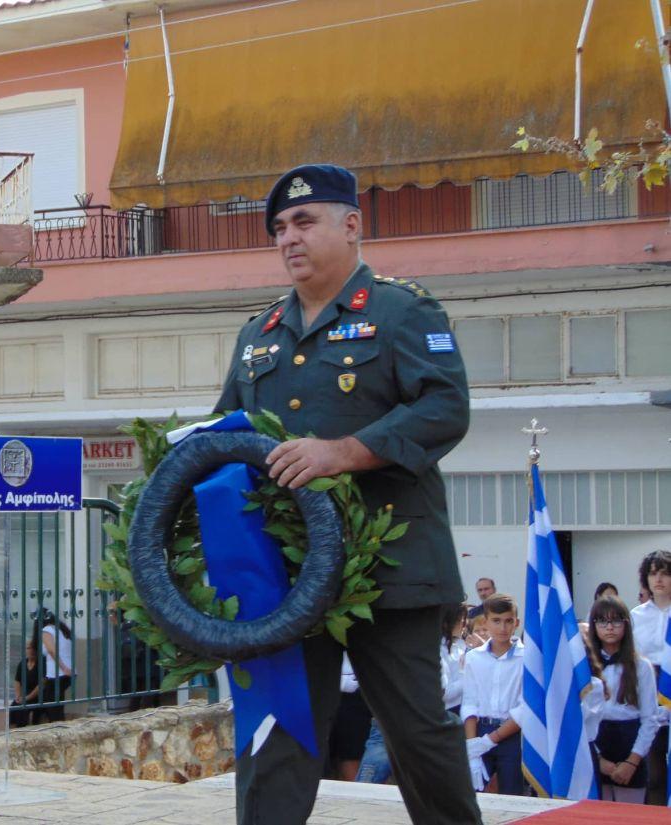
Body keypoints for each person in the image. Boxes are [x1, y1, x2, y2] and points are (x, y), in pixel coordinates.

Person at [214, 163, 478, 824]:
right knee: (280, 736)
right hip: (290, 576)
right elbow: (226, 437)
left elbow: (445, 407)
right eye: (279, 227)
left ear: (352, 225)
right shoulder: (258, 335)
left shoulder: (401, 310)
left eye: (303, 221)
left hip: (391, 566)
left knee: (417, 733)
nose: (288, 237)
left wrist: (344, 453)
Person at [356, 604, 467, 785]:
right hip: (397, 717)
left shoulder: (442, 646)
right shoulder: (418, 643)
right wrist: (465, 679)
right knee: (369, 780)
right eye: (458, 620)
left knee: (421, 787)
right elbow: (437, 689)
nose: (462, 624)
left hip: (420, 720)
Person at [588, 596, 659, 803]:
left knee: (630, 815)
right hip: (597, 743)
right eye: (602, 621)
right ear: (594, 626)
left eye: (616, 621)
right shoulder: (586, 666)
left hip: (630, 744)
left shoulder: (641, 666)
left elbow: (650, 718)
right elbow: (580, 717)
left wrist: (632, 761)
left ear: (626, 625)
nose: (609, 627)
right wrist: (599, 759)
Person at [462, 594, 525, 796]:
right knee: (473, 795)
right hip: (479, 729)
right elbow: (470, 702)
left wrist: (490, 740)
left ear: (516, 623)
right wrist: (472, 745)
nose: (502, 628)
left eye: (508, 621)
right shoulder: (474, 657)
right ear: (485, 622)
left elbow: (525, 709)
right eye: (496, 621)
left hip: (512, 733)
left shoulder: (527, 658)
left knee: (512, 795)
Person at [629, 550, 670, 804]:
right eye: (653, 573)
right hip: (648, 690)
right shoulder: (636, 615)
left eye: (665, 573)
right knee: (653, 773)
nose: (659, 579)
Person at [34, 609, 74, 722]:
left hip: (59, 673)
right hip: (67, 673)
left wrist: (63, 668)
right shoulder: (61, 630)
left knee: (52, 705)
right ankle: (59, 726)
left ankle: (58, 729)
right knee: (56, 703)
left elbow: (52, 650)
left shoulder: (47, 629)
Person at [9, 640, 40, 728]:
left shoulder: (41, 664)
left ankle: (22, 730)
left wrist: (27, 698)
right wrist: (18, 696)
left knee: (24, 708)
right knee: (14, 706)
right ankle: (14, 730)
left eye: (33, 648)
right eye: (28, 648)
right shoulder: (22, 663)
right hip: (24, 695)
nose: (31, 650)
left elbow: (42, 684)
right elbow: (17, 681)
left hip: (38, 696)